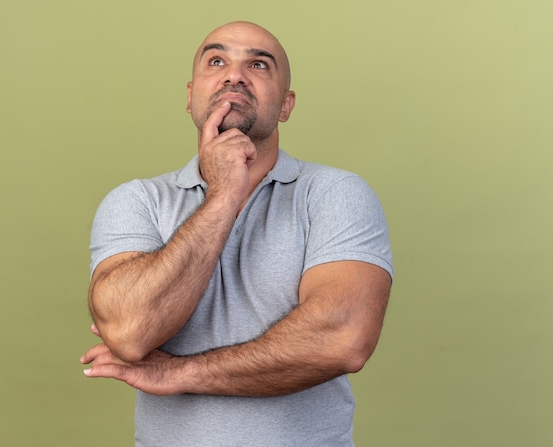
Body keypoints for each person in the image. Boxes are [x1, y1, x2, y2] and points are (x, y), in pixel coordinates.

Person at [80, 21, 393, 447]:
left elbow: (343, 339)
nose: (234, 75)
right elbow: (130, 331)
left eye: (259, 65)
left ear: (286, 104)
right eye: (216, 61)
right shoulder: (137, 201)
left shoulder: (334, 194)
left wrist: (179, 372)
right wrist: (224, 195)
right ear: (190, 95)